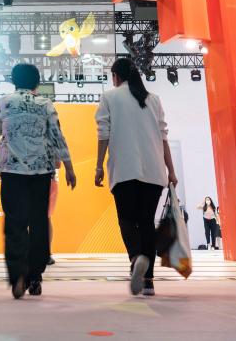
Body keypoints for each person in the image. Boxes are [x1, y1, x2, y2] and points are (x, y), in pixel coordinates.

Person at [0, 64, 77, 299]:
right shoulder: (45, 104)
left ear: (14, 81)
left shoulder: (4, 102)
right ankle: (35, 276)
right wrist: (69, 167)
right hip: (40, 172)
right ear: (37, 83)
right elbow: (57, 136)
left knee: (15, 225)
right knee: (39, 223)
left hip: (12, 171)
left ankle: (18, 275)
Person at [95, 58, 177, 297]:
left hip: (125, 171)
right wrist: (171, 170)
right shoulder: (154, 99)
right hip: (154, 171)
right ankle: (148, 281)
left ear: (116, 76)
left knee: (127, 220)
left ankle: (135, 258)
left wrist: (98, 167)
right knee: (146, 223)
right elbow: (163, 137)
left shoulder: (109, 97)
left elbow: (103, 133)